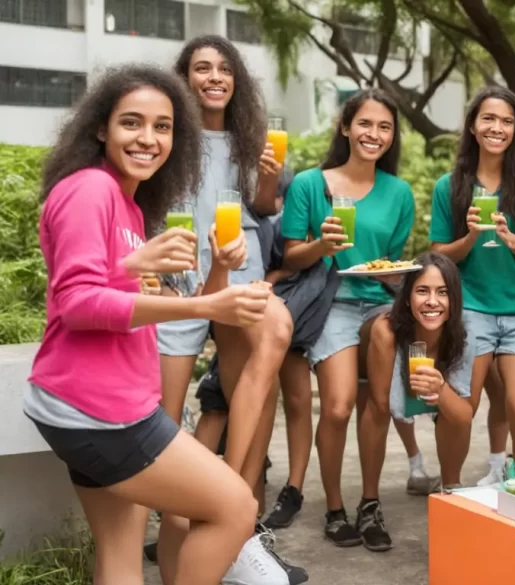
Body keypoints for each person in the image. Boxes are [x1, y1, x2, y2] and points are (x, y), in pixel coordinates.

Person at [24, 63, 276, 585]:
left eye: (162, 127)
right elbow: (76, 303)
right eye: (132, 123)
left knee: (119, 554)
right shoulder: (90, 189)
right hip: (101, 411)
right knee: (233, 507)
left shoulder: (129, 205)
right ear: (101, 127)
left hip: (89, 406)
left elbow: (94, 282)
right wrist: (204, 309)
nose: (149, 138)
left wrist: (150, 270)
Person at [156, 35, 296, 583]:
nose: (214, 77)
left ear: (236, 79)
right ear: (184, 77)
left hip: (239, 270)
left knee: (272, 342)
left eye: (224, 69)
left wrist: (267, 175)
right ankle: (187, 550)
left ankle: (233, 507)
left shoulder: (249, 138)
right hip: (180, 282)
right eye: (202, 68)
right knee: (167, 431)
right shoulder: (168, 132)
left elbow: (264, 208)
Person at [280, 88, 414, 552]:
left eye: (384, 127)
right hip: (331, 301)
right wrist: (322, 246)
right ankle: (335, 508)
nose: (373, 134)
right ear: (345, 127)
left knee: (376, 401)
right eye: (365, 124)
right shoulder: (308, 185)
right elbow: (291, 256)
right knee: (337, 406)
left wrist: (403, 278)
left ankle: (370, 503)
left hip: (377, 302)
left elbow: (390, 265)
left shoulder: (399, 193)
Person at [430, 87, 515, 463]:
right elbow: (439, 255)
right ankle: (450, 493)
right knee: (458, 411)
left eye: (507, 121)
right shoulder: (449, 187)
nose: (497, 128)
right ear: (472, 126)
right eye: (489, 118)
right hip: (472, 307)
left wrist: (512, 240)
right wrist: (469, 237)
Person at [358, 252, 476, 545]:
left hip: (436, 384)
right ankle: (368, 504)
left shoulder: (466, 332)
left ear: (455, 300)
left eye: (442, 293)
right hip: (384, 375)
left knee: (452, 412)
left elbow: (464, 415)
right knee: (377, 410)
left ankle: (451, 492)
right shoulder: (386, 331)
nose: (432, 301)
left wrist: (442, 391)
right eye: (422, 291)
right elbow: (379, 406)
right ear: (407, 297)